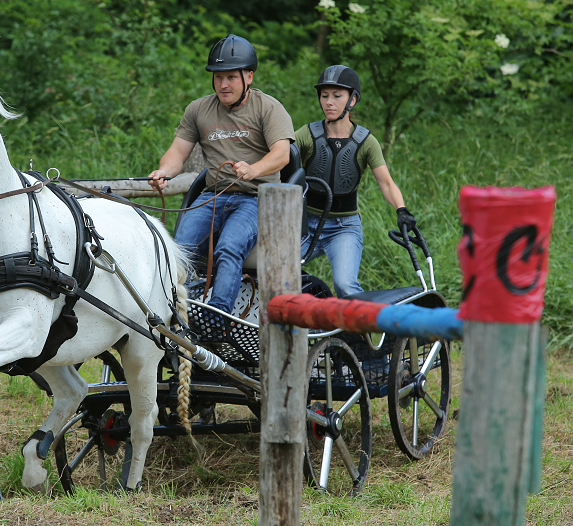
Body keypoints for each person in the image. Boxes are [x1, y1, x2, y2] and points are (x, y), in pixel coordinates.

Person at [148, 34, 294, 327]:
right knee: (180, 249)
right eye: (218, 77)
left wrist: (254, 169)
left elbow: (282, 155)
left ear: (248, 76)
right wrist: (164, 171)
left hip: (256, 198)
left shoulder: (269, 108)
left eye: (230, 77)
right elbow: (177, 153)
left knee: (229, 246)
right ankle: (175, 314)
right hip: (212, 195)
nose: (223, 84)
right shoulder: (198, 109)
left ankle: (217, 318)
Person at [295, 64, 416, 298]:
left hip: (343, 228)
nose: (329, 102)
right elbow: (281, 158)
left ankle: (358, 334)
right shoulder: (307, 134)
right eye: (324, 95)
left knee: (345, 286)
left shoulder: (366, 142)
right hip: (304, 225)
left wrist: (402, 210)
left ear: (352, 100)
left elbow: (386, 183)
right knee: (276, 272)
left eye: (337, 96)